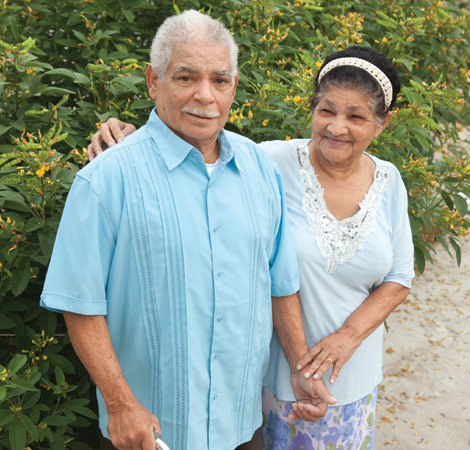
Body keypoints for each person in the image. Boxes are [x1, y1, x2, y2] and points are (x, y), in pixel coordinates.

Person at [90, 45, 415, 449]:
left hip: (352, 377)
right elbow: (201, 154)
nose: (337, 127)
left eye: (356, 116)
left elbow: (400, 277)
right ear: (313, 108)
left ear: (382, 123)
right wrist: (134, 137)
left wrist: (346, 337)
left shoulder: (389, 180)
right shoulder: (269, 161)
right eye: (327, 110)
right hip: (268, 381)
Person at [40, 10, 336, 450]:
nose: (205, 95)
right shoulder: (106, 179)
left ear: (234, 87)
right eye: (185, 77)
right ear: (152, 80)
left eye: (220, 80)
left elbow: (279, 282)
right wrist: (121, 405)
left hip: (241, 427)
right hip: (148, 434)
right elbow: (79, 304)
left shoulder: (259, 169)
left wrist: (297, 363)